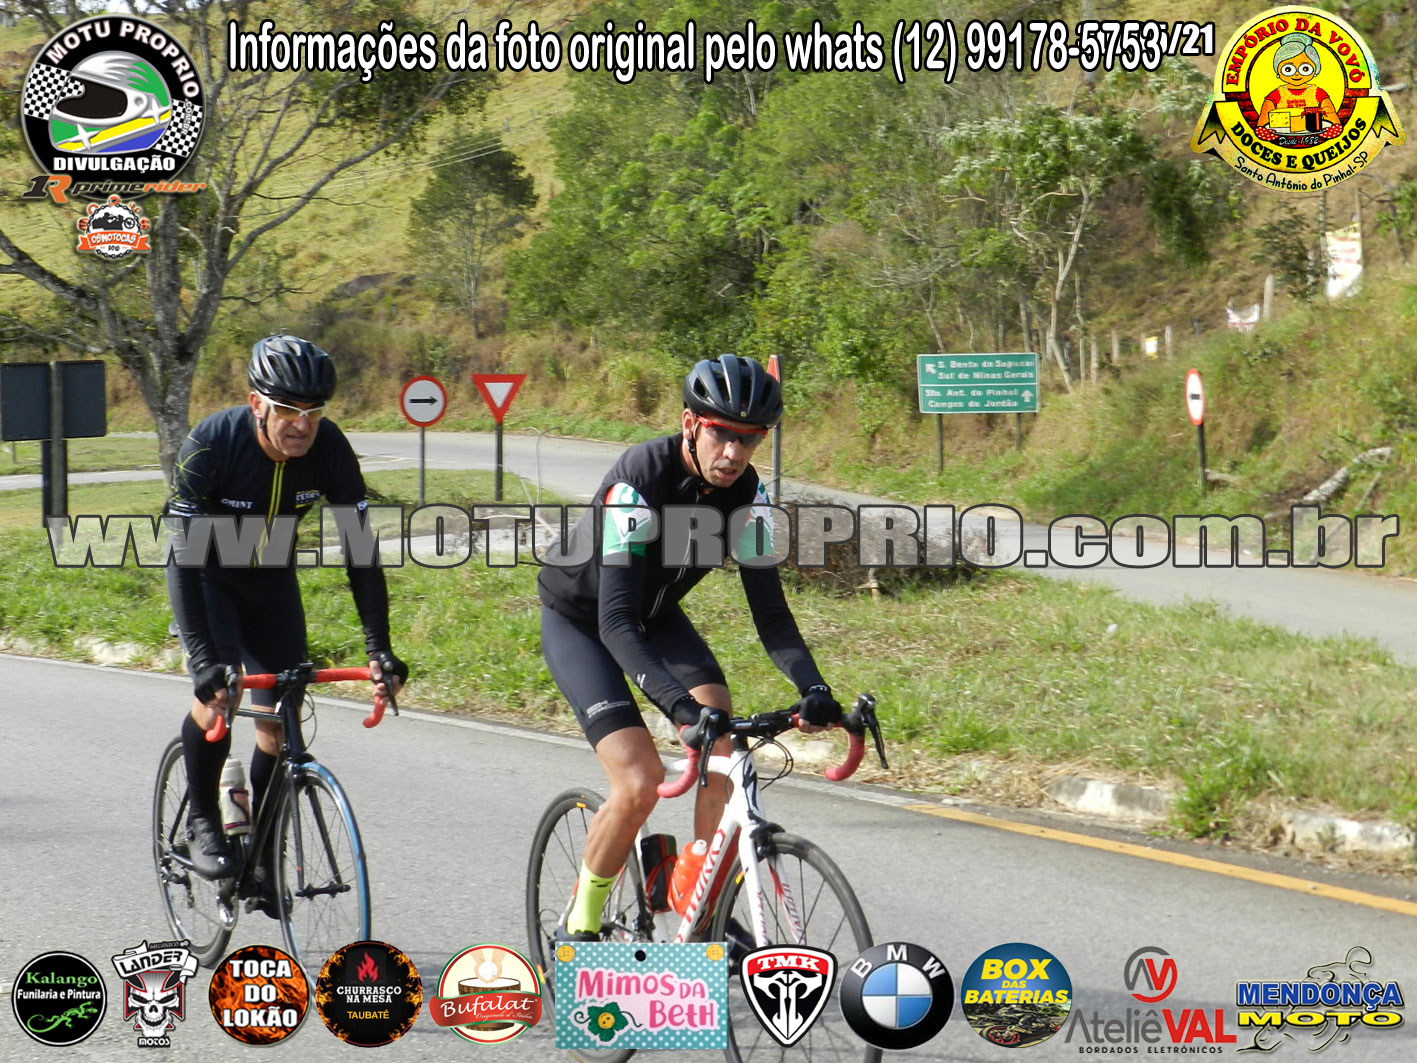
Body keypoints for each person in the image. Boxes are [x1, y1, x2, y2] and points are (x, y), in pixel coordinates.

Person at [536, 353, 842, 940]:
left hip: (654, 616)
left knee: (725, 746)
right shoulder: (637, 481)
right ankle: (581, 921)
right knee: (639, 780)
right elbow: (615, 622)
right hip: (585, 620)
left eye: (750, 439)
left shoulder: (749, 499)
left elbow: (772, 617)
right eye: (722, 434)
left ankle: (700, 909)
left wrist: (815, 687)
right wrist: (680, 709)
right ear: (689, 424)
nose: (734, 452)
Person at [165, 335, 406, 914]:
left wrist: (379, 648)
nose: (302, 425)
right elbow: (183, 558)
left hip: (271, 583)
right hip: (209, 578)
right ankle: (203, 817)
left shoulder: (330, 449)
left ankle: (263, 858)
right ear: (257, 404)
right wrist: (203, 660)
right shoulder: (211, 443)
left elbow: (360, 553)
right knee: (218, 701)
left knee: (279, 720)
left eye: (314, 411)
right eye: (288, 411)